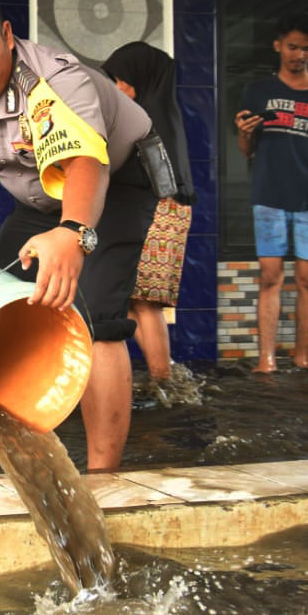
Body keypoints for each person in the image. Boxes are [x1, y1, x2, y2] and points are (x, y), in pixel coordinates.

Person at [0, 0, 157, 471]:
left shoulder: (55, 80)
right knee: (0, 297)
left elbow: (86, 165)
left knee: (100, 316)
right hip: (40, 194)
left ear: (6, 34)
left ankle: (104, 474)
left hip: (117, 178)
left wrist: (74, 234)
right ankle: (5, 422)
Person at [235, 13, 308, 373]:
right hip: (268, 193)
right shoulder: (258, 91)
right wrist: (245, 132)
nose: (299, 54)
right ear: (278, 45)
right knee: (270, 276)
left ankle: (301, 356)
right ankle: (266, 359)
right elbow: (246, 149)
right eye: (293, 47)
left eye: (307, 49)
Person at [102, 42, 198, 382]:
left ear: (141, 78)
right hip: (156, 212)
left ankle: (164, 382)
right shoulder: (154, 114)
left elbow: (157, 180)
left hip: (161, 213)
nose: (116, 88)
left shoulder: (150, 118)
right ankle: (163, 380)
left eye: (121, 79)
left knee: (145, 303)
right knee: (135, 300)